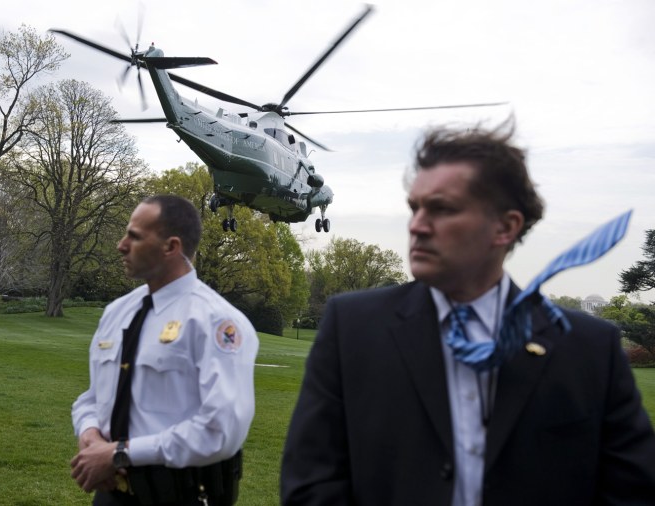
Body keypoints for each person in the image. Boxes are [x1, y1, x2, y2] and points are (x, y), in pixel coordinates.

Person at [280, 122, 655, 505]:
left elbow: (632, 493)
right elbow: (312, 483)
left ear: (505, 227)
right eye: (415, 208)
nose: (417, 226)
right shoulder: (353, 328)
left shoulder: (588, 347)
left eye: (442, 209)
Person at [71, 195, 259, 506]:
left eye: (134, 236)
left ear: (170, 247)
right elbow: (93, 397)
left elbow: (220, 430)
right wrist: (90, 435)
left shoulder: (216, 322)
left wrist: (120, 454)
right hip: (111, 496)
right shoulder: (118, 312)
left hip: (180, 496)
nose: (121, 245)